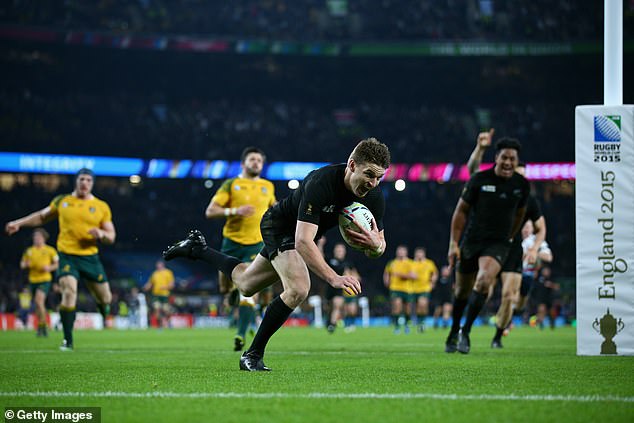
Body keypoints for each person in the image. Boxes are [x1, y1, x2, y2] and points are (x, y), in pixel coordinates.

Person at [164, 138, 390, 371]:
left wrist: (375, 245)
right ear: (352, 165)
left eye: (379, 177)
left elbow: (379, 248)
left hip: (300, 236)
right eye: (369, 174)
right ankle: (252, 355)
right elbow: (302, 241)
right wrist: (334, 278)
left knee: (245, 284)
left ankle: (197, 248)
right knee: (299, 288)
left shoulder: (373, 197)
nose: (373, 183)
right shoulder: (321, 182)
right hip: (279, 226)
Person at [5, 168, 116, 351]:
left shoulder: (101, 206)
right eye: (82, 179)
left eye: (88, 180)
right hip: (67, 256)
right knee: (69, 291)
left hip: (90, 258)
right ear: (76, 181)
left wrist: (101, 234)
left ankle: (102, 307)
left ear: (92, 183)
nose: (84, 183)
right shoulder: (62, 201)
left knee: (106, 298)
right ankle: (68, 341)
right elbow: (41, 216)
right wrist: (18, 223)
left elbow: (111, 236)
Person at [466, 130, 549, 348]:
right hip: (490, 245)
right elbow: (472, 170)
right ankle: (466, 328)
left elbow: (541, 228)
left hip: (512, 250)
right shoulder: (492, 187)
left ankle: (497, 336)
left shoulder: (528, 199)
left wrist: (534, 248)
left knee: (509, 296)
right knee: (484, 288)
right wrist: (480, 148)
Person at [446, 138, 529, 354]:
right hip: (472, 241)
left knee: (483, 282)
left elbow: (520, 212)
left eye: (513, 159)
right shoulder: (479, 179)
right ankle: (454, 330)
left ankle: (466, 331)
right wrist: (453, 244)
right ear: (496, 158)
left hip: (498, 244)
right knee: (462, 292)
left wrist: (510, 236)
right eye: (505, 158)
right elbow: (461, 212)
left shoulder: (521, 185)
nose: (508, 162)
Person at [204, 146, 276, 351]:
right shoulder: (231, 184)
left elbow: (274, 208)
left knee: (249, 290)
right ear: (243, 164)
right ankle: (233, 293)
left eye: (259, 160)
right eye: (252, 159)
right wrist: (235, 210)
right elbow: (210, 211)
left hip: (256, 244)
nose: (256, 163)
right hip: (231, 244)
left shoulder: (267, 186)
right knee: (225, 288)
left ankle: (241, 334)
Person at [20, 228, 59, 337]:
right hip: (33, 280)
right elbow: (22, 264)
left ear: (44, 238)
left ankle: (43, 326)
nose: (36, 239)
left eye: (38, 237)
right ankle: (42, 326)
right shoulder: (29, 251)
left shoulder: (50, 250)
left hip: (45, 279)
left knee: (38, 300)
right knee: (38, 305)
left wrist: (49, 268)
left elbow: (57, 264)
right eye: (35, 237)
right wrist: (25, 264)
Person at [319, 240, 360, 333]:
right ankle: (328, 321)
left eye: (341, 250)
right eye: (338, 250)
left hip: (339, 288)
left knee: (337, 305)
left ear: (344, 251)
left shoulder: (348, 264)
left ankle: (332, 325)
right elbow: (319, 259)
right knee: (328, 308)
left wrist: (350, 276)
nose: (339, 252)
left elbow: (356, 276)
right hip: (329, 287)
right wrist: (320, 245)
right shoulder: (330, 260)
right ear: (334, 251)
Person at [383, 245, 415, 334]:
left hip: (408, 289)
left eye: (402, 251)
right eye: (399, 251)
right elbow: (386, 273)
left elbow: (413, 276)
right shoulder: (392, 263)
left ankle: (407, 325)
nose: (400, 252)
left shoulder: (410, 263)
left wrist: (401, 275)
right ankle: (397, 326)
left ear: (406, 252)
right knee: (396, 306)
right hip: (395, 288)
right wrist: (386, 281)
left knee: (407, 309)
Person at [409, 247, 438, 333]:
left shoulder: (429, 263)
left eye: (420, 253)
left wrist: (433, 281)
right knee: (416, 307)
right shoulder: (411, 263)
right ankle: (419, 322)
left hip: (425, 288)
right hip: (412, 288)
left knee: (423, 304)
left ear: (424, 254)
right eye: (417, 253)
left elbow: (435, 273)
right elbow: (407, 274)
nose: (419, 255)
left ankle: (423, 322)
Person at [143, 260, 175, 329]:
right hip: (156, 295)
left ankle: (168, 322)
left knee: (166, 310)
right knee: (156, 309)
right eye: (157, 265)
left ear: (162, 265)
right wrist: (146, 287)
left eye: (159, 265)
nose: (157, 266)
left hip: (165, 295)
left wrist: (165, 287)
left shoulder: (168, 272)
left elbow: (172, 285)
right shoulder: (154, 274)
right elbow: (150, 283)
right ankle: (160, 325)